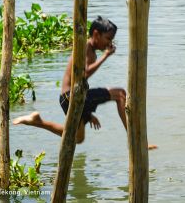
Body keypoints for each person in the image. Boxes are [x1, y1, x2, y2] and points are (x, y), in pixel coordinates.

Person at [13, 16, 157, 149]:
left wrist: (87, 113)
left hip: (70, 97)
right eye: (108, 38)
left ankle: (37, 121)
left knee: (78, 138)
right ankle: (135, 141)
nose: (110, 43)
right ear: (96, 34)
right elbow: (84, 74)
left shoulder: (91, 50)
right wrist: (106, 56)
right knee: (120, 94)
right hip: (71, 96)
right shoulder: (85, 48)